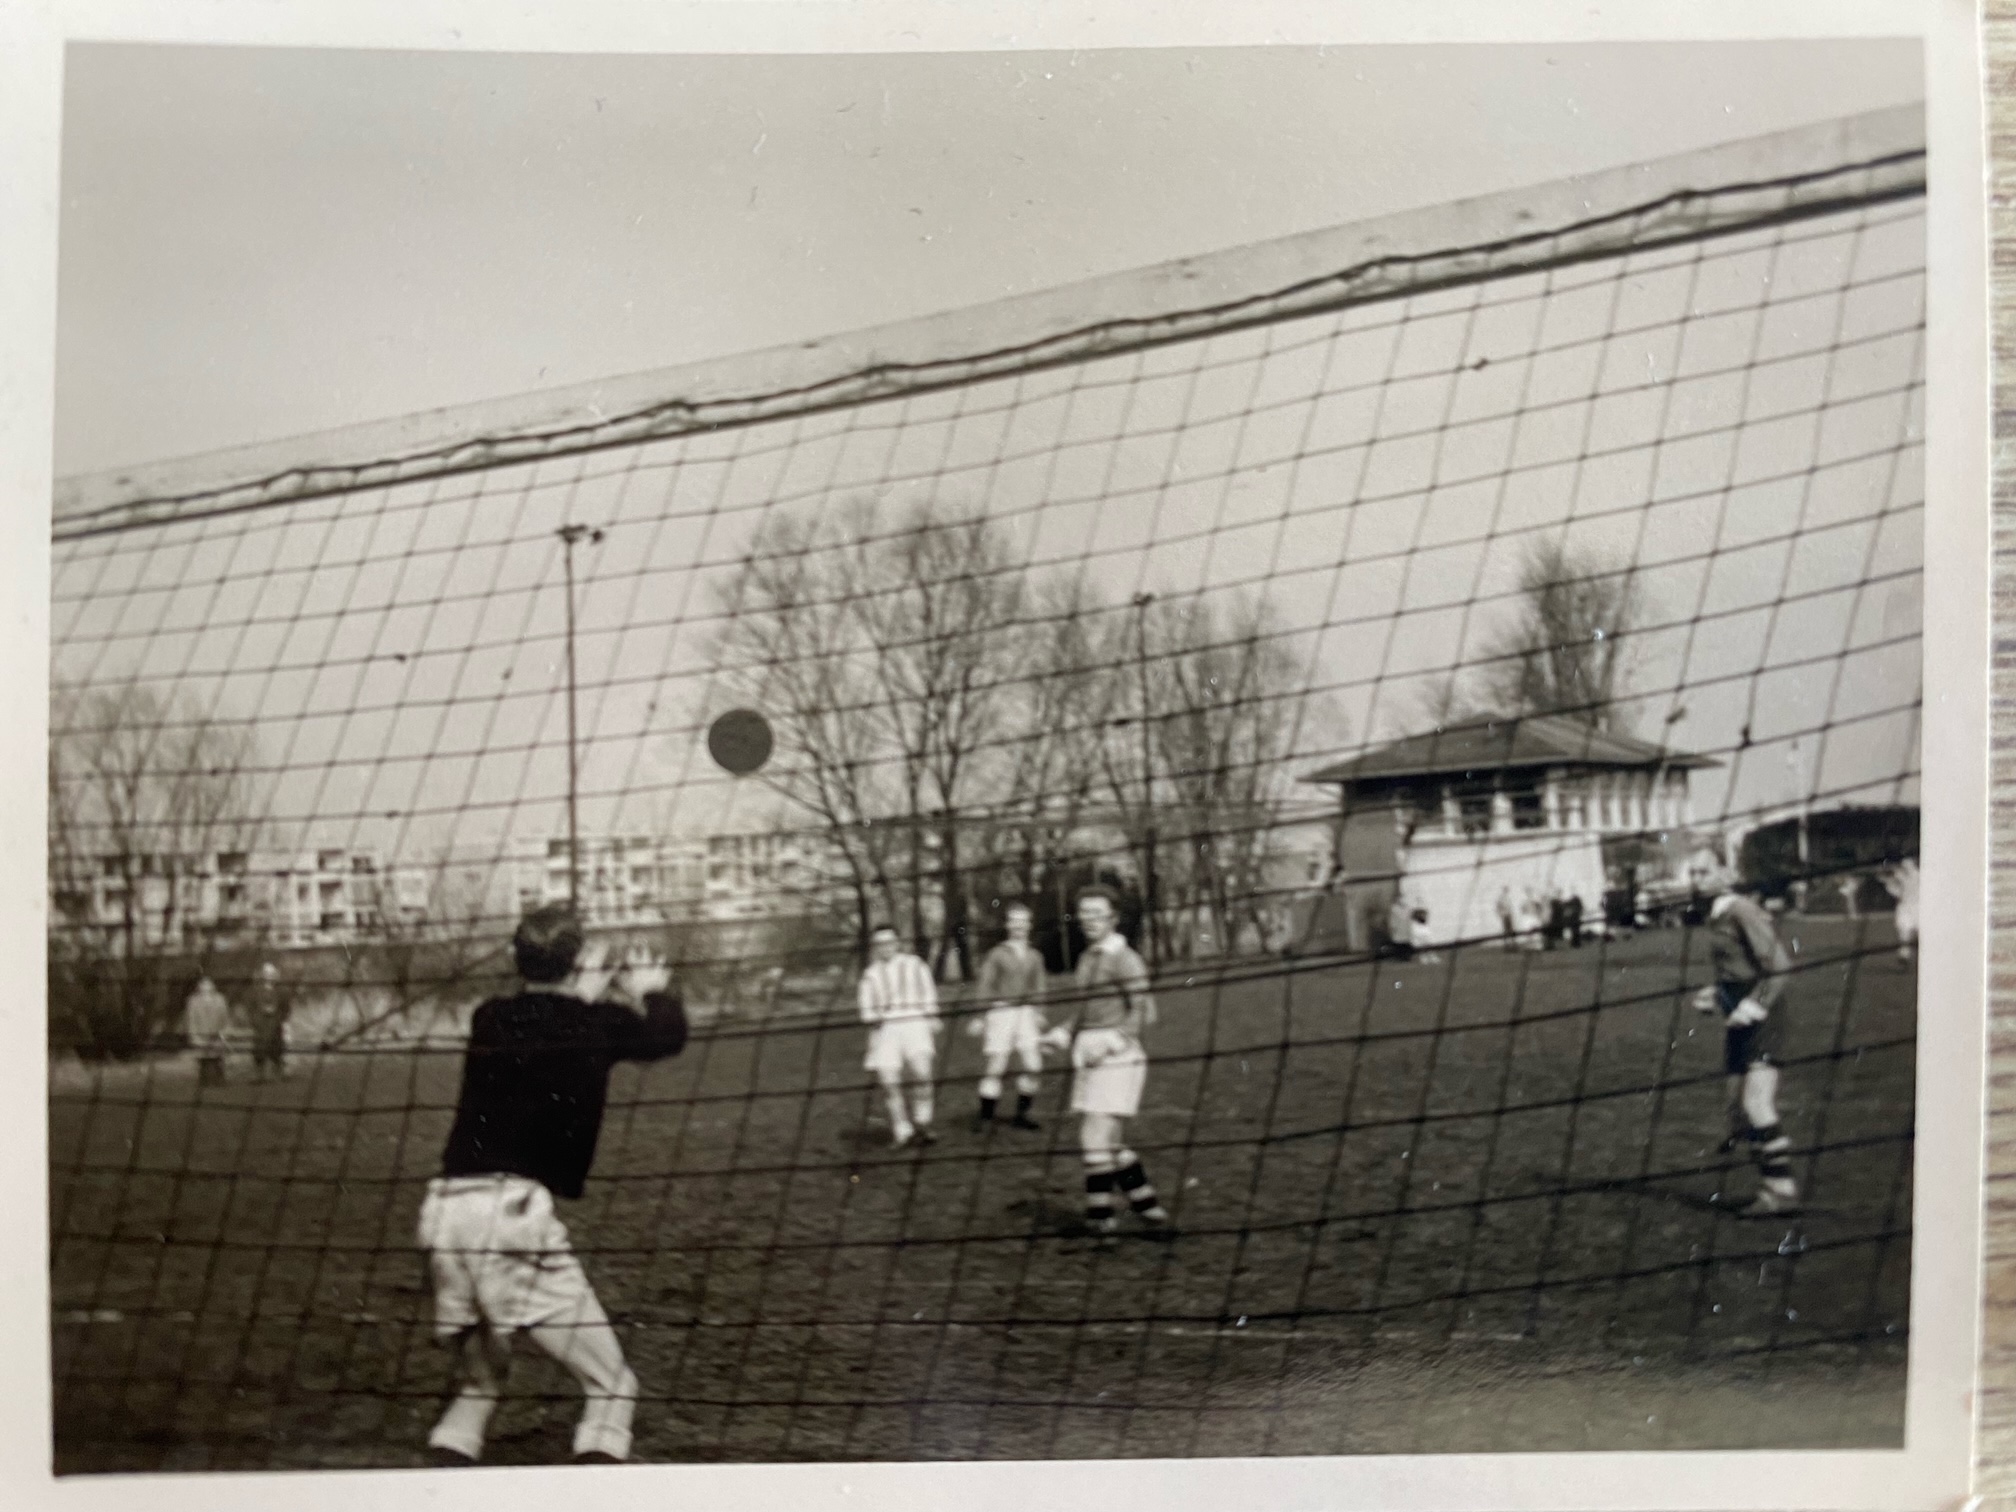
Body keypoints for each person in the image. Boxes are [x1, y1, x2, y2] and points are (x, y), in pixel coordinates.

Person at [418, 905, 687, 1467]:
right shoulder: (598, 1025)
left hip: (443, 1214)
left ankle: (444, 1481)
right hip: (510, 1216)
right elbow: (666, 1036)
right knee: (613, 1386)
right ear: (580, 959)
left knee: (479, 1388)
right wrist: (652, 989)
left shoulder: (489, 1017)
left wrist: (577, 989)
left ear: (515, 958)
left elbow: (546, 1022)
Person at [1041, 887, 1171, 1238]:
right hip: (1089, 1053)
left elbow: (1143, 1009)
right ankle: (1147, 1207)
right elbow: (1086, 1010)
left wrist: (1113, 1042)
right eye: (1084, 913)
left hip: (1117, 1056)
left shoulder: (1124, 958)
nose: (1089, 919)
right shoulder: (1087, 957)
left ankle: (1101, 1218)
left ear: (1113, 917)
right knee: (1109, 1142)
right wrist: (1061, 1033)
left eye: (1097, 913)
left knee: (1093, 1136)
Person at [1691, 871, 1801, 1217]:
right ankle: (1773, 1185)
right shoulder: (1718, 914)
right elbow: (1739, 969)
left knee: (1756, 1103)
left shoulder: (1741, 910)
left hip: (1762, 1016)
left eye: (1705, 871)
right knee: (1737, 1109)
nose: (1698, 878)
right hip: (1739, 1016)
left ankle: (1780, 1191)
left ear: (1725, 875)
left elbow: (1779, 966)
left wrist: (1754, 1005)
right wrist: (1718, 995)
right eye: (1694, 872)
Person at [858, 924, 941, 1148]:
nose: (885, 947)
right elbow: (866, 1009)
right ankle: (901, 1131)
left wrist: (931, 1016)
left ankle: (922, 1123)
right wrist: (875, 1016)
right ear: (875, 946)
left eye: (889, 942)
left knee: (922, 1075)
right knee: (889, 1083)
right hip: (885, 1030)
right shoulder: (870, 974)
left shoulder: (915, 964)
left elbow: (928, 993)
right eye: (880, 943)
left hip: (914, 1023)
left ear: (897, 943)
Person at [969, 902, 1048, 1132]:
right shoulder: (997, 954)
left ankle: (1022, 1115)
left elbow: (1039, 986)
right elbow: (986, 985)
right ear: (1007, 924)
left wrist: (1039, 1012)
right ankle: (986, 1117)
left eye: (1023, 921)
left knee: (1034, 1066)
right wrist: (980, 1016)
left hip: (1026, 1013)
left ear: (1029, 925)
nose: (1018, 926)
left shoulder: (1034, 955)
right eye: (1014, 921)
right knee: (997, 1065)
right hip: (1001, 1011)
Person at [184, 974, 232, 1086]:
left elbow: (225, 1018)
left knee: (217, 1058)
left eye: (208, 984)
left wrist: (224, 1033)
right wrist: (193, 1035)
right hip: (200, 1034)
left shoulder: (220, 999)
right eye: (203, 984)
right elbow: (191, 1019)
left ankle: (219, 1079)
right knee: (203, 1059)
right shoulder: (193, 1001)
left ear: (213, 985)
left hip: (217, 1035)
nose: (206, 987)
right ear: (199, 986)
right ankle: (204, 1080)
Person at [248, 962, 293, 1080]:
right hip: (260, 1025)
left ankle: (279, 1071)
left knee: (277, 1048)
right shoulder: (255, 990)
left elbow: (286, 1008)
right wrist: (255, 1020)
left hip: (276, 1024)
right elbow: (250, 1007)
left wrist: (281, 1020)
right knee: (259, 1049)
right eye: (266, 973)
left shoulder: (282, 991)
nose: (269, 975)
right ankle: (259, 1074)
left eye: (271, 973)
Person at [1884, 858, 1919, 964]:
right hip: (1905, 907)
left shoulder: (1916, 875)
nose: (1905, 867)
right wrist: (1889, 883)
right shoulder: (1902, 876)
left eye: (1908, 865)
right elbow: (1898, 892)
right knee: (1904, 932)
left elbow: (1897, 887)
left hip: (1918, 907)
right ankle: (1904, 956)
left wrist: (1889, 879)